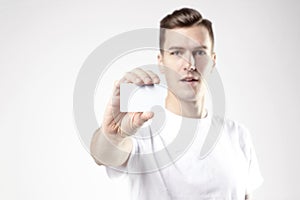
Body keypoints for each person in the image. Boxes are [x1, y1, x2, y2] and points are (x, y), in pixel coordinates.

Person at [90, 7, 263, 200]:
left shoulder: (237, 135)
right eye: (176, 53)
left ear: (213, 61)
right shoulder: (142, 134)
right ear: (161, 62)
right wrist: (112, 136)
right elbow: (103, 154)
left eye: (199, 52)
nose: (189, 64)